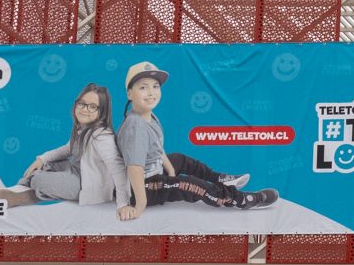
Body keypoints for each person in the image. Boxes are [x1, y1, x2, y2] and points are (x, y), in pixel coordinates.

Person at [114, 60, 277, 221]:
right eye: (143, 87)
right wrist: (140, 204)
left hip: (153, 173)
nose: (151, 93)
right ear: (129, 93)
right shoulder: (135, 126)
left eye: (155, 86)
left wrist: (170, 171)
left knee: (180, 159)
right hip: (142, 187)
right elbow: (134, 168)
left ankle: (219, 178)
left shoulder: (149, 117)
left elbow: (156, 147)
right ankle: (239, 199)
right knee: (190, 185)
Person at [0, 82, 125, 209]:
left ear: (101, 112)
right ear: (76, 104)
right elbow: (67, 149)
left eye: (92, 107)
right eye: (82, 104)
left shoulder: (102, 136)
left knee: (39, 181)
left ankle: (32, 189)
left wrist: (122, 203)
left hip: (85, 184)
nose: (85, 110)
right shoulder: (82, 127)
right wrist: (42, 159)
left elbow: (117, 168)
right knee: (43, 166)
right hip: (74, 169)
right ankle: (20, 189)